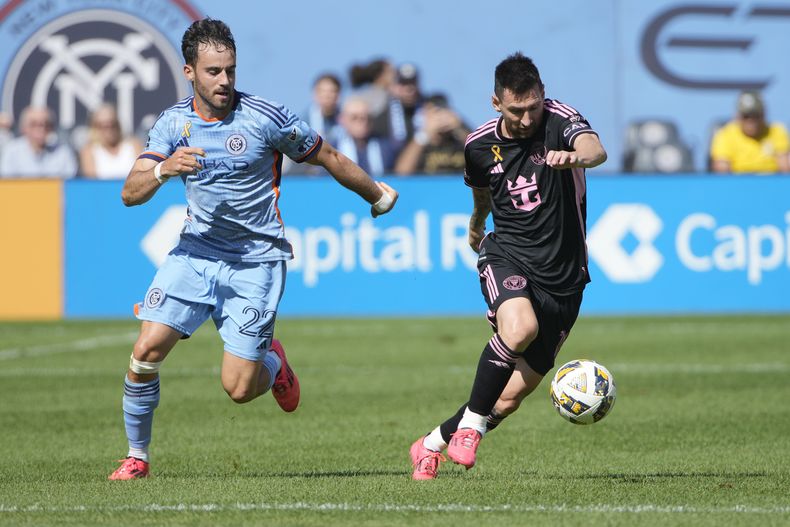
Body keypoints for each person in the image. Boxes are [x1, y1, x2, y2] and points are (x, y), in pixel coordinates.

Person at [109, 18, 398, 480]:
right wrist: (164, 170)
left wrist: (376, 196)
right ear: (189, 72)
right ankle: (137, 457)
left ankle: (273, 362)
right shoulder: (172, 124)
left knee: (239, 389)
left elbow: (329, 157)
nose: (225, 81)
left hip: (256, 263)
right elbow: (129, 192)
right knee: (145, 352)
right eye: (213, 72)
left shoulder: (265, 117)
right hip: (195, 255)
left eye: (231, 70)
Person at [408, 52, 606, 480]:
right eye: (517, 110)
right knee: (519, 329)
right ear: (496, 103)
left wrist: (575, 157)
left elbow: (595, 148)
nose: (528, 117)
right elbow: (481, 192)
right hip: (508, 253)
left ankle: (430, 444)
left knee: (509, 397)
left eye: (534, 105)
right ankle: (472, 429)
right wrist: (477, 223)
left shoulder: (559, 119)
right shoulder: (479, 145)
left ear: (542, 96)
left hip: (567, 279)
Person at [710, 91, 790, 174]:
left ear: (763, 115)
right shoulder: (725, 134)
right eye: (746, 116)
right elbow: (722, 172)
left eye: (755, 115)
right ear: (738, 117)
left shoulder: (776, 132)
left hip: (771, 183)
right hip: (737, 183)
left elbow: (785, 170)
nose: (751, 121)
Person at [394, 93, 469, 175]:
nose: (440, 116)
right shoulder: (418, 141)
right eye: (435, 112)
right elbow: (401, 173)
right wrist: (425, 133)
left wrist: (459, 129)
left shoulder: (460, 138)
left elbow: (482, 159)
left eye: (443, 111)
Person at [0, 106, 77, 179]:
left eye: (46, 124)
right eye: (34, 124)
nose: (41, 128)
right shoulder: (12, 151)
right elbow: (7, 184)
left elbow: (70, 184)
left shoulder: (63, 152)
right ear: (23, 128)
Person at [331, 96, 399, 176]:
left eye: (366, 117)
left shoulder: (386, 148)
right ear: (342, 120)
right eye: (354, 118)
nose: (362, 122)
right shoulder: (333, 149)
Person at [79, 104, 143, 179]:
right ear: (95, 127)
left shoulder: (134, 145)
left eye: (112, 124)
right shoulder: (89, 151)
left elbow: (142, 176)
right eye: (102, 126)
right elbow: (92, 184)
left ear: (118, 124)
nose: (109, 130)